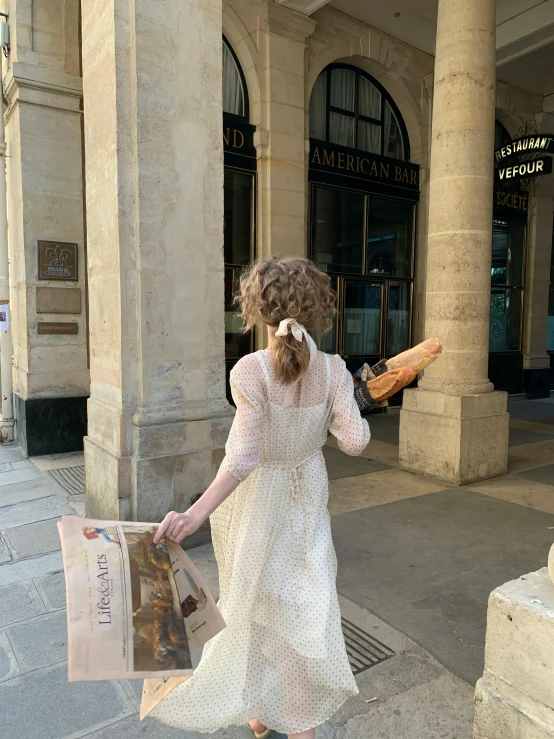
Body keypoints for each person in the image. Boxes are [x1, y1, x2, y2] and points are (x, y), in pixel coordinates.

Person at [153, 256, 370, 739]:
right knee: (299, 606)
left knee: (253, 601)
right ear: (316, 308)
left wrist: (192, 516)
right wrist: (356, 399)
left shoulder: (250, 370)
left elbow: (243, 459)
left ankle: (274, 719)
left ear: (256, 309)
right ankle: (279, 717)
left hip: (254, 506)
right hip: (306, 502)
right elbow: (355, 442)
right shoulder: (334, 370)